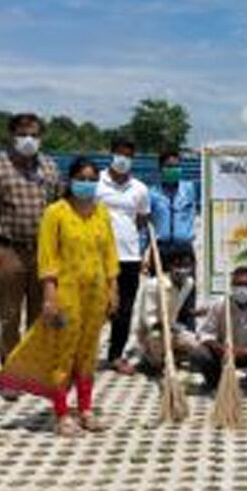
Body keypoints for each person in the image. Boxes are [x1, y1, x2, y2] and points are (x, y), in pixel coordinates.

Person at [0, 157, 119, 436]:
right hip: (67, 293)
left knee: (88, 351)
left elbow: (110, 252)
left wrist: (113, 287)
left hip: (96, 294)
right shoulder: (56, 213)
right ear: (70, 180)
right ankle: (61, 413)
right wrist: (50, 295)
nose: (86, 183)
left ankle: (85, 409)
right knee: (63, 351)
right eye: (81, 178)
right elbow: (47, 256)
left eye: (92, 179)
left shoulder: (101, 213)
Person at [0, 113, 61, 372]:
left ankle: (34, 368)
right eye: (23, 135)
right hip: (9, 250)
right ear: (11, 136)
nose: (29, 140)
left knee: (40, 313)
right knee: (10, 315)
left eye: (34, 135)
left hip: (43, 252)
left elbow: (59, 208)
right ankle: (11, 370)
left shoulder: (49, 167)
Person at [95, 138, 151, 375]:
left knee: (124, 309)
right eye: (119, 154)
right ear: (111, 153)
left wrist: (142, 252)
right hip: (97, 255)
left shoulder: (139, 188)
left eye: (128, 155)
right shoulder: (95, 182)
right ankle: (84, 354)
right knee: (96, 306)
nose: (123, 159)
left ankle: (116, 355)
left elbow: (142, 221)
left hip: (129, 257)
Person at [189, 266, 247, 393]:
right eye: (238, 285)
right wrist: (222, 349)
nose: (242, 289)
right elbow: (205, 334)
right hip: (224, 354)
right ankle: (215, 381)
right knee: (199, 354)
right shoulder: (220, 304)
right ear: (231, 287)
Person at [136, 249, 199, 374]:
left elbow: (181, 309)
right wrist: (166, 327)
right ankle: (153, 361)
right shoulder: (154, 285)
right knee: (156, 338)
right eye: (178, 266)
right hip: (152, 333)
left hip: (172, 329)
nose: (183, 270)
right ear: (170, 266)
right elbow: (148, 321)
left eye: (186, 266)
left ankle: (173, 355)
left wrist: (198, 313)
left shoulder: (189, 283)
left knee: (199, 346)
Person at [148, 149, 196, 270]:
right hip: (160, 249)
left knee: (187, 287)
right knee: (160, 287)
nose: (173, 170)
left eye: (176, 166)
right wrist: (143, 253)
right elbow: (146, 224)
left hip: (183, 248)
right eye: (169, 166)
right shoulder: (152, 193)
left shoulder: (189, 189)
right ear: (161, 169)